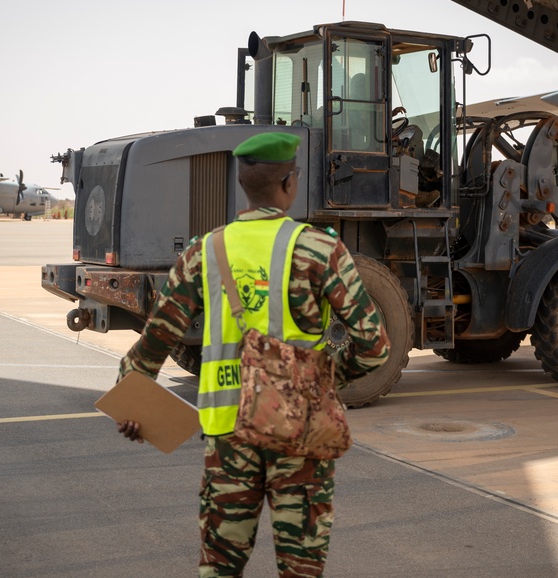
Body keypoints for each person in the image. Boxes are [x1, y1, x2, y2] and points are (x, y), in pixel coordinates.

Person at [116, 131, 390, 577]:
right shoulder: (321, 250)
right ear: (289, 182)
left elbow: (151, 348)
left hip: (227, 440)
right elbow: (375, 349)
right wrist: (320, 383)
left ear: (243, 185)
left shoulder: (202, 252)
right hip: (299, 439)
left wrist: (131, 412)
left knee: (219, 569)